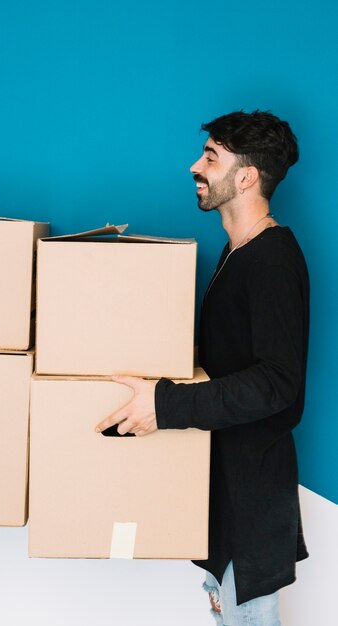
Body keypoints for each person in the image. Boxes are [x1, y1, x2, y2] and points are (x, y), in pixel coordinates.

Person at [96, 110, 309, 626]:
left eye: (211, 157)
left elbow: (278, 384)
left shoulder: (273, 260)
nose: (196, 165)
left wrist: (165, 404)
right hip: (226, 490)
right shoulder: (238, 252)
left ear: (246, 176)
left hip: (252, 498)